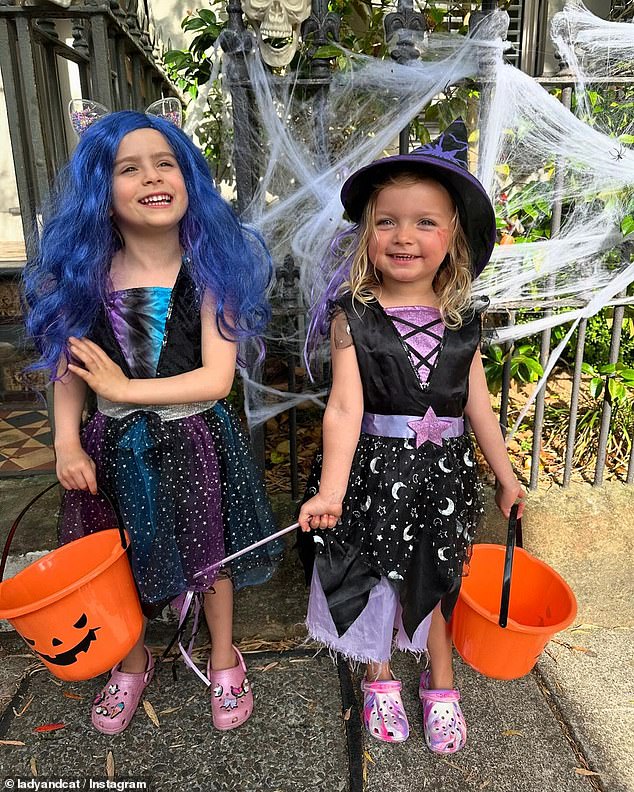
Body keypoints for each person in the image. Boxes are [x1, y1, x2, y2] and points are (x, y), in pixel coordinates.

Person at [23, 107, 282, 735]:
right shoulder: (87, 277)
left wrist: (122, 387)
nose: (151, 177)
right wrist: (64, 442)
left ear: (188, 177)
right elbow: (68, 366)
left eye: (165, 163)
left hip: (195, 437)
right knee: (117, 557)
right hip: (112, 447)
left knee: (209, 552)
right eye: (128, 169)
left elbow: (216, 380)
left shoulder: (209, 273)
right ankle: (129, 661)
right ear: (100, 195)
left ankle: (224, 659)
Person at [297, 119, 526, 753]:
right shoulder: (355, 319)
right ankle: (379, 677)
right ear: (367, 234)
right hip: (374, 479)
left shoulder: (463, 324)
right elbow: (344, 409)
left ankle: (440, 675)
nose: (405, 236)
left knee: (437, 574)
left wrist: (505, 476)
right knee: (376, 579)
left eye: (425, 222)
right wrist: (332, 491)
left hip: (443, 482)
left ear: (453, 236)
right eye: (387, 221)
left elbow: (478, 406)